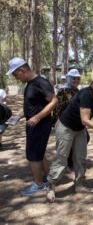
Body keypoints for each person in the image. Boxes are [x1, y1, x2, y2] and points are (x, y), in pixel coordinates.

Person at [46, 73, 93, 202]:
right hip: (66, 127)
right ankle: (51, 185)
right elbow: (85, 121)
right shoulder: (86, 94)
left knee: (80, 157)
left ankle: (79, 185)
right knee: (62, 157)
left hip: (79, 129)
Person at [6, 57, 58, 196]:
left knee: (33, 155)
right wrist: (18, 116)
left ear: (22, 70)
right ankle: (47, 178)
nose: (16, 78)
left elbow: (54, 101)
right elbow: (32, 105)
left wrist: (38, 117)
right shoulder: (30, 84)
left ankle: (39, 184)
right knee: (39, 153)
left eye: (16, 75)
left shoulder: (40, 82)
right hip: (34, 123)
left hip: (40, 124)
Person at [52, 68, 82, 171]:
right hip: (64, 122)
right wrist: (56, 121)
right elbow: (57, 107)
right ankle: (67, 164)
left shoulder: (77, 90)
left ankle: (71, 161)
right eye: (73, 78)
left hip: (75, 121)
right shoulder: (63, 91)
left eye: (78, 78)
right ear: (68, 79)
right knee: (65, 145)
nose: (76, 81)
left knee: (82, 139)